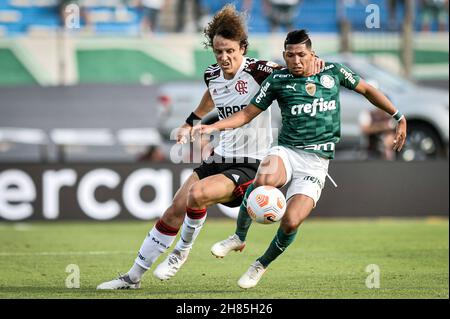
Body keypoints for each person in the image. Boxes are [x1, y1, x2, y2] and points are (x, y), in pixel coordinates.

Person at [97, 5, 324, 289]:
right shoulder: (212, 74)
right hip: (219, 157)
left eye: (230, 50)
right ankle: (132, 277)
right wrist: (190, 121)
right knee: (173, 211)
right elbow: (211, 95)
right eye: (218, 51)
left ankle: (181, 252)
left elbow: (293, 70)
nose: (224, 57)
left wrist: (317, 64)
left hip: (251, 163)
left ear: (243, 47)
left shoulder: (260, 71)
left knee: (199, 193)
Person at [195, 29, 407, 289]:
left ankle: (260, 264)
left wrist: (398, 116)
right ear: (284, 55)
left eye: (301, 55)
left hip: (316, 163)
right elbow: (246, 114)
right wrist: (213, 127)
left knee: (292, 221)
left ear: (312, 54)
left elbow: (367, 89)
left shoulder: (333, 72)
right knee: (265, 177)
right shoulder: (277, 80)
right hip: (288, 150)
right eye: (290, 55)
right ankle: (238, 236)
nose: (295, 60)